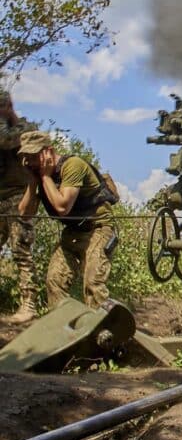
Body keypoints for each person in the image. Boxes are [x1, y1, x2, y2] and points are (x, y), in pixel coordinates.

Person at [17, 131, 118, 309]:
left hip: (98, 229)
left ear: (48, 151)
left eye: (33, 156)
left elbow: (63, 207)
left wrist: (46, 176)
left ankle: (103, 332)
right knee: (54, 281)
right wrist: (33, 182)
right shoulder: (39, 176)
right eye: (26, 157)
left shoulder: (72, 165)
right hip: (73, 233)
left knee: (93, 284)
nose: (29, 162)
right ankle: (65, 330)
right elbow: (24, 214)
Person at [0, 90, 38, 322]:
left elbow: (6, 140)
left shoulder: (25, 129)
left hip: (17, 197)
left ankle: (29, 304)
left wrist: (11, 118)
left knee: (21, 250)